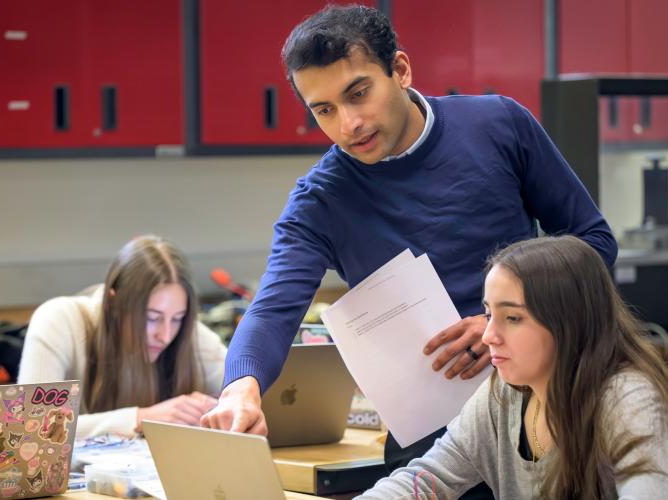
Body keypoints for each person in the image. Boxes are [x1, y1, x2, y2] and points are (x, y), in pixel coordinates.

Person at [200, 3, 617, 483]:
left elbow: (593, 241)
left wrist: (503, 322)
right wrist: (240, 389)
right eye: (324, 110)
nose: (348, 123)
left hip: (549, 408)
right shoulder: (320, 202)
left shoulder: (500, 125)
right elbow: (272, 310)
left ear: (399, 70)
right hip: (430, 433)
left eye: (358, 93)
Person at [357, 235, 668, 499]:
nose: (488, 336)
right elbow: (428, 477)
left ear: (567, 322)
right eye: (488, 314)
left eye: (512, 318)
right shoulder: (503, 394)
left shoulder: (628, 399)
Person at [18, 235, 227, 439]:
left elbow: (241, 392)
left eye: (177, 318)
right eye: (151, 318)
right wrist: (141, 418)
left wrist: (218, 407)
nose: (165, 336)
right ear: (114, 304)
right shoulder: (59, 320)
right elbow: (31, 427)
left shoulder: (187, 333)